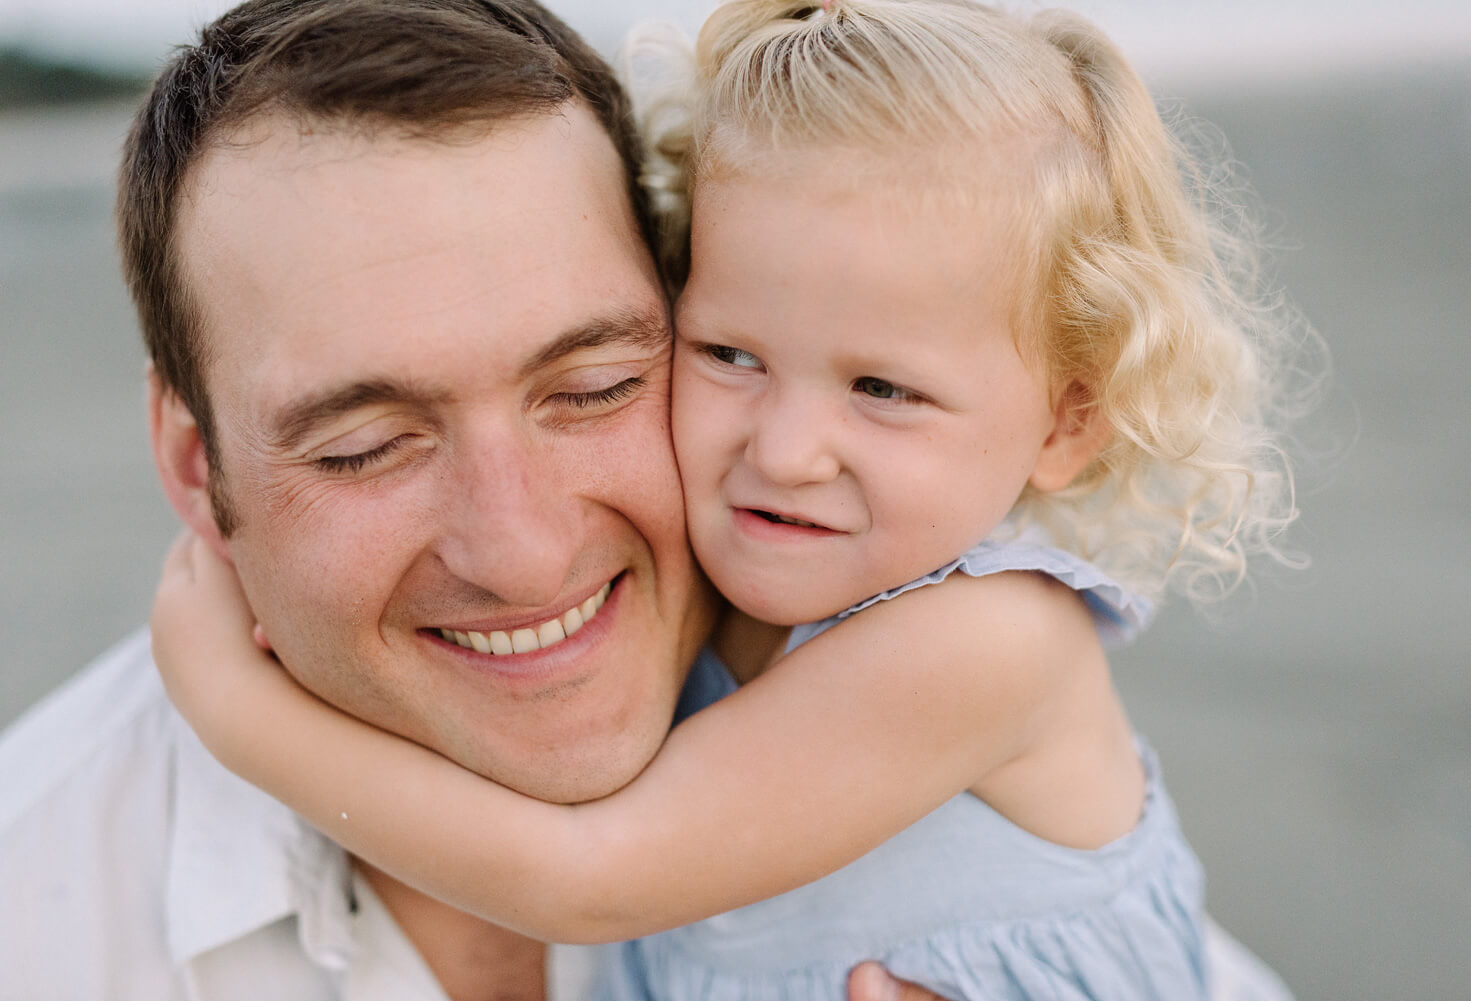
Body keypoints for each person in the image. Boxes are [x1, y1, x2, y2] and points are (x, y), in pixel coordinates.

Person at [151, 2, 1307, 1000]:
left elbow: (587, 879)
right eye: (730, 354)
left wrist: (238, 715)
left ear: (1066, 422)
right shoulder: (711, 603)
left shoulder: (990, 640)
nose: (789, 448)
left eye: (885, 388)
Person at [0, 1, 924, 997]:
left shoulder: (950, 713)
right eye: (365, 449)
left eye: (594, 388)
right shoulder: (35, 914)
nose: (522, 552)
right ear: (194, 464)